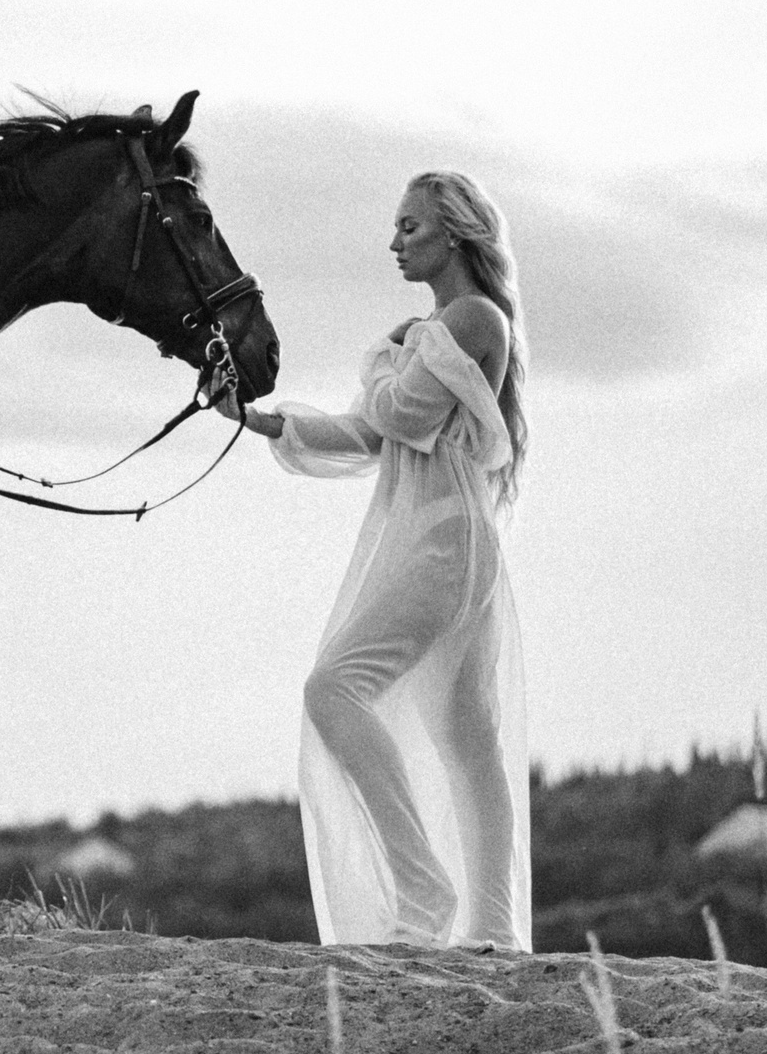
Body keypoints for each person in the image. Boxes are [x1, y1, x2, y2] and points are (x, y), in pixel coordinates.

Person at [216, 171, 531, 949]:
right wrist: (254, 418)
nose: (394, 243)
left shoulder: (472, 317)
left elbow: (397, 411)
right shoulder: (428, 334)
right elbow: (367, 435)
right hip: (434, 530)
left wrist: (384, 360)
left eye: (409, 227)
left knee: (336, 687)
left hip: (445, 534)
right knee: (467, 733)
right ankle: (491, 931)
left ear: (453, 232)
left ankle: (424, 893)